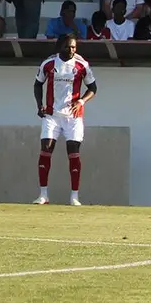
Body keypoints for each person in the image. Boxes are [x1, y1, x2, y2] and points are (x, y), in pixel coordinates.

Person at [32, 35, 97, 206]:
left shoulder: (81, 64)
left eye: (74, 47)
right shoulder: (49, 64)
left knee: (73, 151)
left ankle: (74, 196)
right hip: (52, 115)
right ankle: (43, 195)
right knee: (46, 149)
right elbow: (38, 84)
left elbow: (93, 87)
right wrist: (40, 105)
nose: (72, 50)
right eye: (68, 47)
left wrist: (81, 101)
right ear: (60, 47)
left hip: (73, 117)